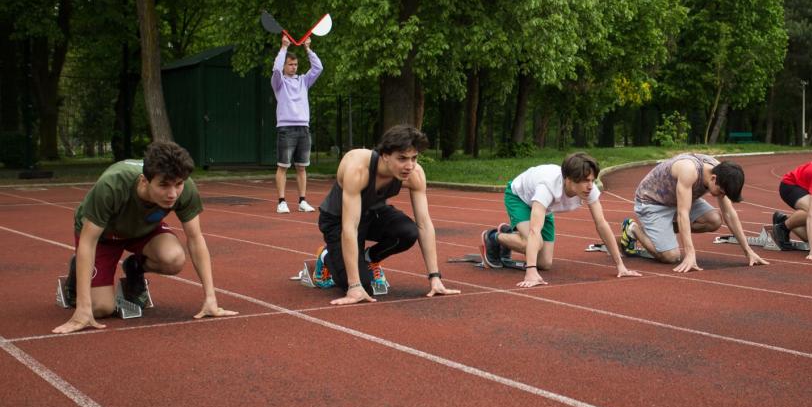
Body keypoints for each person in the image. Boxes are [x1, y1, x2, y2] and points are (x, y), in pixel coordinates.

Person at [52, 141, 237, 334]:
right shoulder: (112, 185)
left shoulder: (185, 187)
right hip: (103, 236)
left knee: (173, 259)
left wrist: (210, 299)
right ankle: (76, 277)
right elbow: (88, 242)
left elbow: (196, 238)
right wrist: (83, 309)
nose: (172, 194)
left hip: (143, 230)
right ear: (143, 181)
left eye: (178, 185)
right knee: (100, 308)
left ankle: (134, 268)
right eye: (164, 186)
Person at [318, 125, 460, 304]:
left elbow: (424, 224)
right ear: (385, 156)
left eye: (414, 158)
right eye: (402, 159)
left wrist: (435, 277)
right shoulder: (358, 169)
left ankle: (368, 258)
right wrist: (354, 286)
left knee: (408, 232)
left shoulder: (415, 174)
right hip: (338, 220)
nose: (409, 166)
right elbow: (350, 227)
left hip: (372, 213)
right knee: (363, 286)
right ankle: (326, 257)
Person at [480, 152, 641, 288]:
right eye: (585, 181)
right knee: (535, 242)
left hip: (545, 207)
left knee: (544, 263)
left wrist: (621, 266)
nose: (590, 186)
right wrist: (531, 272)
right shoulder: (547, 187)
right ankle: (494, 237)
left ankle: (511, 233)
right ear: (568, 180)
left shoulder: (589, 189)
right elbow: (535, 231)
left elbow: (601, 224)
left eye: (592, 180)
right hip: (520, 198)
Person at [619, 153, 768, 272]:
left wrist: (748, 251)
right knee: (671, 256)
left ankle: (658, 232)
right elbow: (683, 213)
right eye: (721, 192)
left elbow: (729, 213)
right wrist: (690, 254)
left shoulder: (720, 171)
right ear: (713, 178)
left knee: (714, 220)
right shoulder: (689, 170)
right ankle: (633, 229)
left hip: (677, 198)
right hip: (652, 202)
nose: (722, 196)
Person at [271, 33, 323, 213]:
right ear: (285, 65)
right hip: (285, 128)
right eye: (290, 64)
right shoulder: (278, 82)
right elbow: (276, 70)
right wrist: (283, 47)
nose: (293, 67)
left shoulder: (304, 81)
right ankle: (282, 202)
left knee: (302, 167)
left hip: (303, 128)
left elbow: (318, 68)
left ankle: (302, 201)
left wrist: (308, 49)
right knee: (283, 166)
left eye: (295, 64)